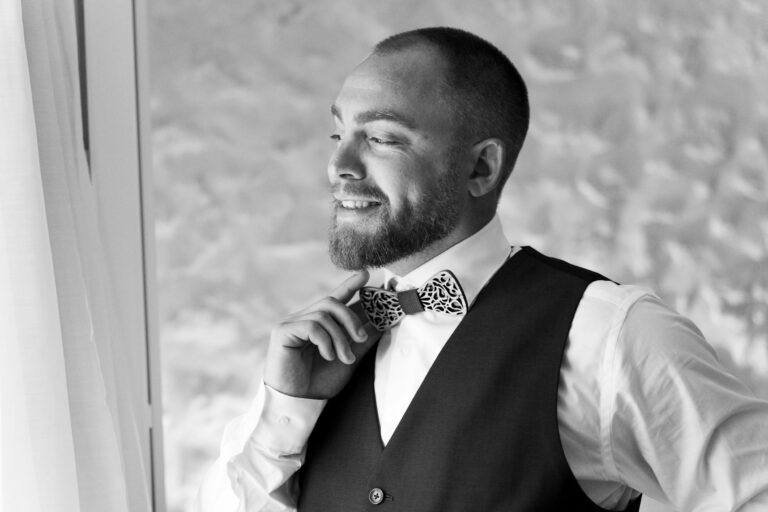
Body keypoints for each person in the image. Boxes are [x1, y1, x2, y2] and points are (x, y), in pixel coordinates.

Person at [196, 27, 768, 511]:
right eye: (338, 132)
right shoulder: (316, 358)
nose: (339, 165)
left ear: (481, 167)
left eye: (382, 137)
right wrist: (286, 407)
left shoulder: (608, 335)